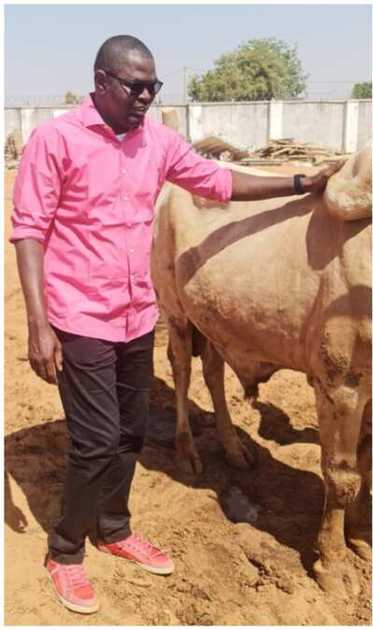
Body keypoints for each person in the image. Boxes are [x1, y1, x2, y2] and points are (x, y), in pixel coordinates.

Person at [11, 35, 342, 615]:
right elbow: (30, 231)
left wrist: (299, 183)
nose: (146, 96)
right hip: (78, 314)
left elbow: (219, 181)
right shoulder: (55, 140)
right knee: (92, 442)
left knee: (132, 432)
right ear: (101, 81)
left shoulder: (158, 142)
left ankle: (113, 528)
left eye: (153, 86)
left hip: (137, 313)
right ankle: (64, 552)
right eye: (135, 86)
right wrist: (39, 324)